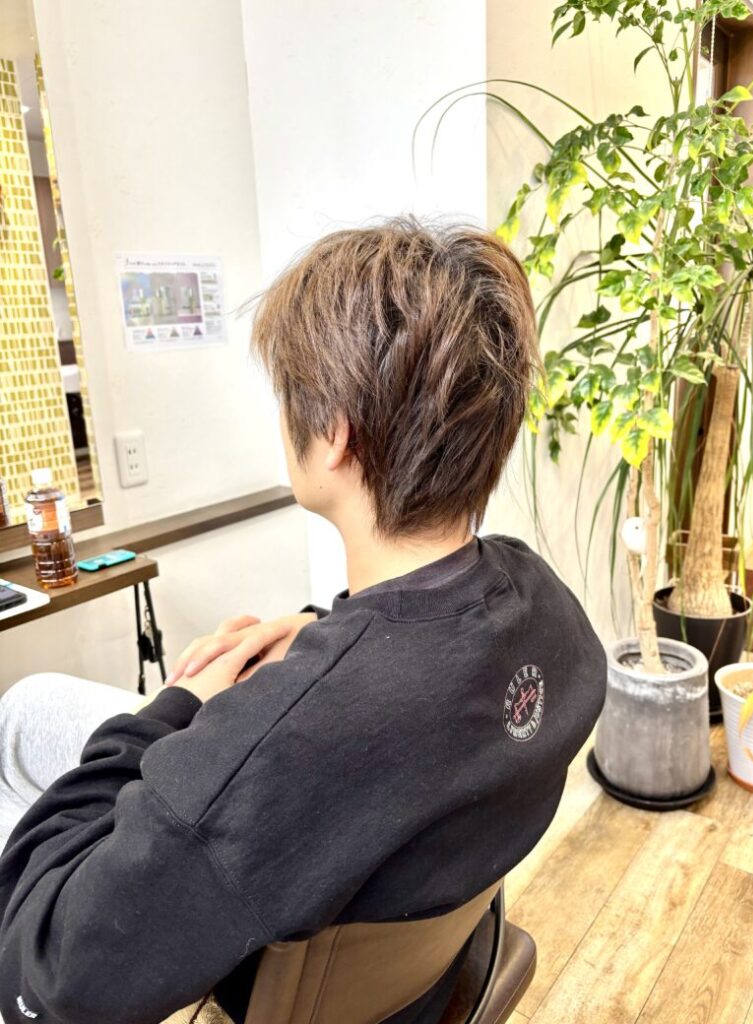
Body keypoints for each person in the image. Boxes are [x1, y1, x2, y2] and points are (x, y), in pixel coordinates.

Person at [0, 219, 607, 1024]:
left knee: (13, 745)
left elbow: (42, 979)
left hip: (217, 883)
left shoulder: (280, 751)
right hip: (414, 951)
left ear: (334, 435)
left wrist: (174, 710)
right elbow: (420, 676)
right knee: (27, 708)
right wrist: (328, 631)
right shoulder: (547, 608)